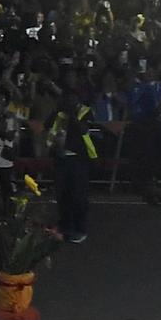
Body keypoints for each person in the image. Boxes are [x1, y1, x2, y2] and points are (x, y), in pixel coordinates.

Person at [51, 94, 101, 243]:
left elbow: (84, 130)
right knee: (62, 195)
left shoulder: (86, 112)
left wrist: (73, 116)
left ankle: (80, 229)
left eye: (72, 100)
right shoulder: (60, 114)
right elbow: (51, 129)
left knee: (78, 196)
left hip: (79, 159)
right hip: (62, 157)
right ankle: (65, 225)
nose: (68, 103)